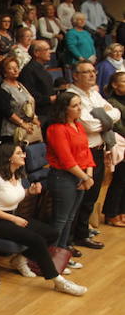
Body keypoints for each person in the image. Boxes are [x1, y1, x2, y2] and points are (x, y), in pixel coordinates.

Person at [0, 144, 86, 295]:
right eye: (19, 153)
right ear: (9, 158)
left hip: (13, 216)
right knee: (36, 240)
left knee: (52, 233)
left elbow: (10, 197)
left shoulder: (16, 174)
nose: (24, 156)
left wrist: (29, 192)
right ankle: (58, 280)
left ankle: (20, 259)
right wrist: (14, 218)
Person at [67, 62, 120, 249]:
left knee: (92, 195)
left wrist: (103, 117)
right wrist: (105, 117)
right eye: (86, 72)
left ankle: (81, 233)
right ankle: (72, 238)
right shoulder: (72, 96)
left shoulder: (95, 94)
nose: (91, 75)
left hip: (98, 149)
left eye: (92, 71)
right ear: (75, 75)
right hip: (83, 151)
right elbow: (88, 126)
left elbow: (117, 112)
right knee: (81, 197)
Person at [45, 92, 95, 256]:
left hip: (80, 176)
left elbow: (86, 152)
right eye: (75, 106)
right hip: (63, 177)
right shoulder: (56, 129)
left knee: (70, 218)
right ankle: (50, 259)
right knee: (60, 220)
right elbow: (66, 160)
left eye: (80, 104)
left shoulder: (78, 125)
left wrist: (88, 175)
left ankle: (62, 255)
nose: (80, 108)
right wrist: (85, 177)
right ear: (64, 109)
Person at [0, 57, 41, 144]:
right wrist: (22, 124)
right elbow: (7, 111)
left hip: (28, 126)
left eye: (16, 67)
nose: (16, 70)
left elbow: (29, 102)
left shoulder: (20, 84)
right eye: (11, 68)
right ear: (4, 73)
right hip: (12, 131)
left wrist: (34, 118)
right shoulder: (2, 89)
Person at [102, 72, 125, 227]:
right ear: (115, 85)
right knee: (119, 180)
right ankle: (111, 213)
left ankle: (122, 211)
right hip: (121, 143)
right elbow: (116, 127)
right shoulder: (111, 102)